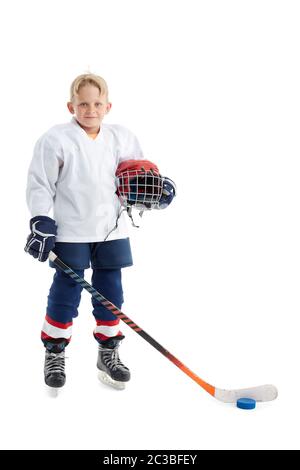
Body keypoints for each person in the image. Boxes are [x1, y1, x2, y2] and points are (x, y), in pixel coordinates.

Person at [25, 73, 145, 390]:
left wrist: (150, 191)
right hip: (71, 230)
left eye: (96, 103)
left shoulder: (122, 137)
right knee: (66, 293)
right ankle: (54, 352)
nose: (90, 109)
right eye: (82, 104)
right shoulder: (56, 139)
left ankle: (108, 351)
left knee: (111, 293)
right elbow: (40, 182)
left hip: (112, 229)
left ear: (107, 106)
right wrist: (40, 219)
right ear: (71, 106)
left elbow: (136, 177)